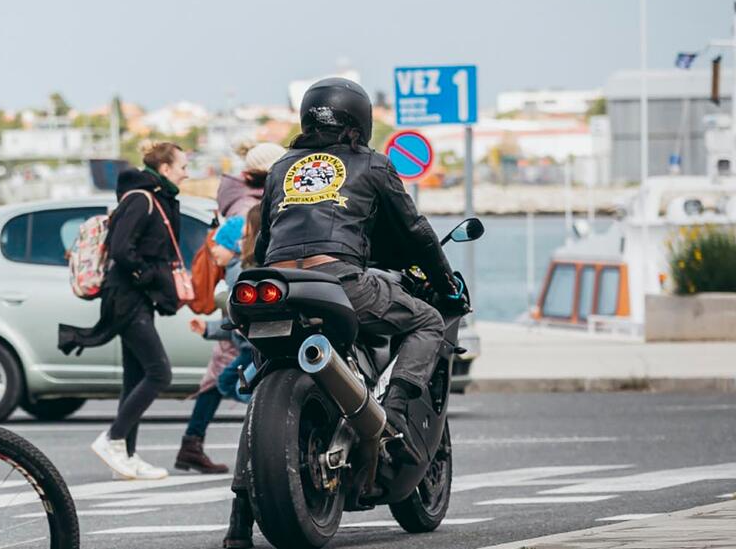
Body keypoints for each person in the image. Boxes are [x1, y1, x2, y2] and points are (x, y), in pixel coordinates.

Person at [221, 77, 458, 549]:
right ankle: (390, 419)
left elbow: (266, 240)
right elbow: (415, 232)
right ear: (359, 119)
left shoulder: (283, 167)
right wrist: (445, 283)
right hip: (341, 282)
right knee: (427, 322)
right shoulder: (373, 163)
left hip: (276, 282)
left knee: (266, 381)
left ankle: (239, 524)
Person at [59, 142, 190, 480]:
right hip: (127, 297)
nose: (186, 173)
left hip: (137, 297)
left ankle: (125, 458)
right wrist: (147, 275)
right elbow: (121, 248)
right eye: (182, 166)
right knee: (160, 373)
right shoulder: (140, 199)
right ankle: (113, 439)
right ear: (164, 169)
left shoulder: (156, 198)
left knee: (135, 377)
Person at [174, 142, 283, 474]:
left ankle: (193, 443)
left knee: (223, 379)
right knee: (231, 380)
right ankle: (261, 437)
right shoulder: (251, 210)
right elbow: (244, 258)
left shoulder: (239, 199)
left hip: (239, 313)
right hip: (248, 311)